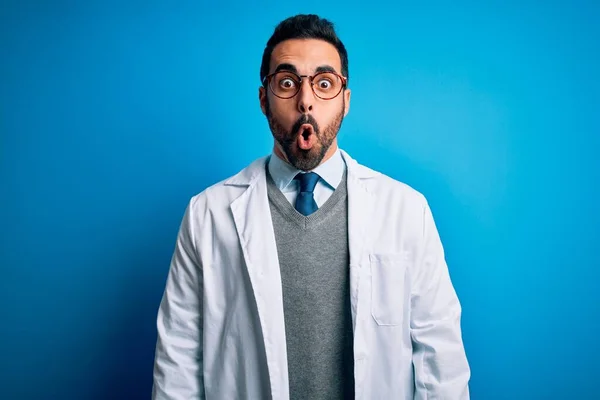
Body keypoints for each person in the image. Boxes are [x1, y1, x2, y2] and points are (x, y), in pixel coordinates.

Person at [152, 13, 470, 400]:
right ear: (263, 99)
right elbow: (178, 365)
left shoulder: (406, 211)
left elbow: (441, 362)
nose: (306, 101)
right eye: (287, 83)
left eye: (324, 83)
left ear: (345, 100)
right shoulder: (208, 215)